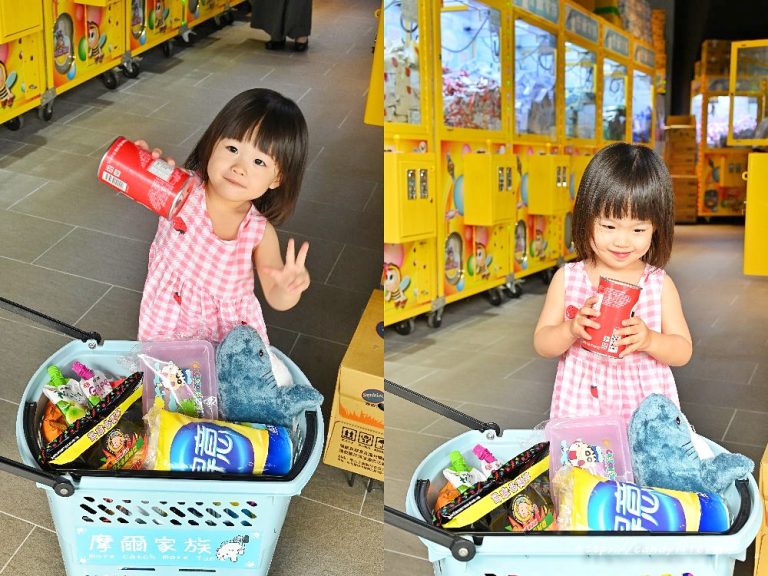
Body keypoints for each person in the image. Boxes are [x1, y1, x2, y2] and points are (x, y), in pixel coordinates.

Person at [136, 88, 310, 351]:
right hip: (167, 327)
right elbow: (133, 181)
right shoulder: (182, 190)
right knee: (166, 375)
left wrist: (289, 288)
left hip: (227, 342)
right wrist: (139, 164)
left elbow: (276, 295)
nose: (239, 167)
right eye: (232, 148)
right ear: (212, 144)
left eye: (259, 162)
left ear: (277, 179)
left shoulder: (258, 231)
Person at [533, 142, 692, 422]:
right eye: (608, 226)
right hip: (582, 404)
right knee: (583, 453)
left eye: (638, 229)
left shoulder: (658, 285)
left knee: (639, 452)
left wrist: (649, 339)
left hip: (642, 411)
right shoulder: (568, 279)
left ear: (656, 228)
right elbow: (543, 344)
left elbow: (682, 351)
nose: (622, 241)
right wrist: (571, 329)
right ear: (586, 218)